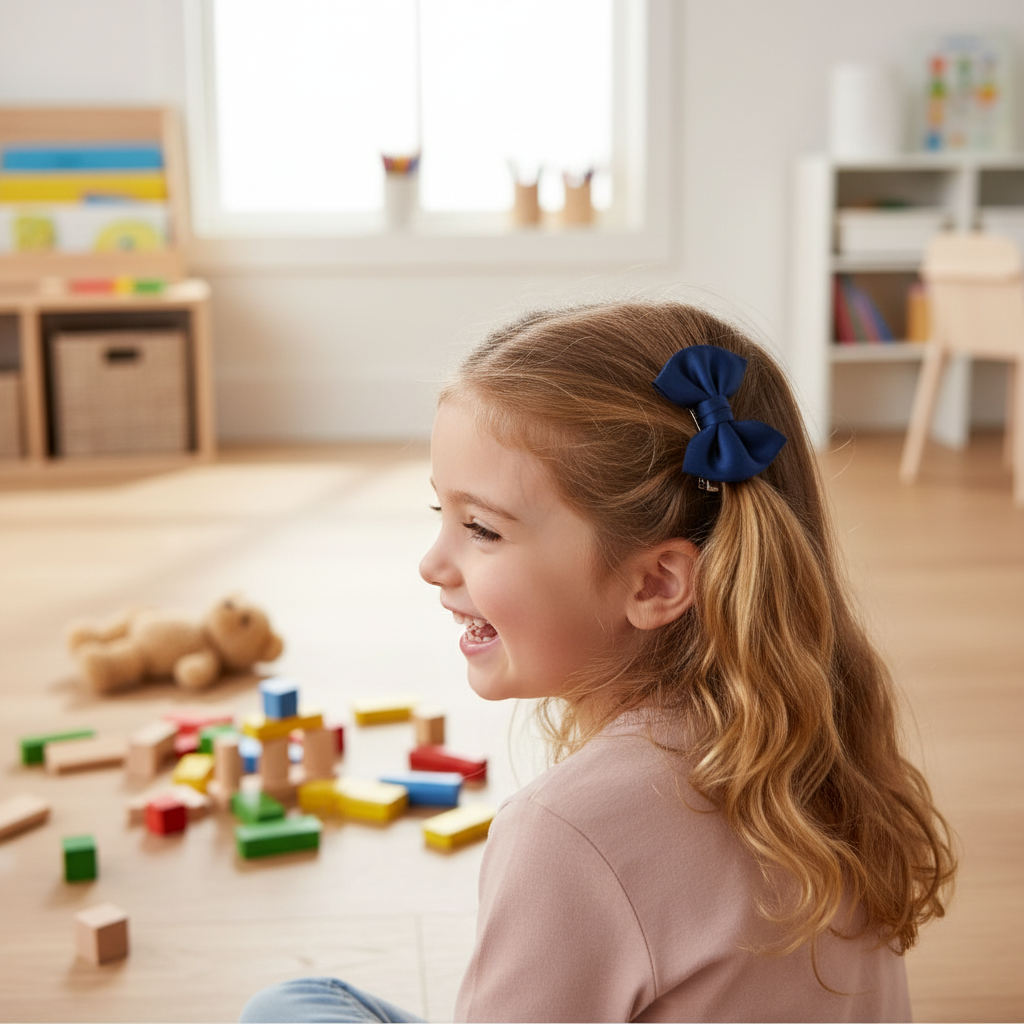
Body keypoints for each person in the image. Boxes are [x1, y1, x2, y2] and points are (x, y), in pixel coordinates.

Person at [241, 301, 956, 1023]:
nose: (432, 564)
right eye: (442, 515)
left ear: (655, 584)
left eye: (481, 529)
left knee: (287, 1008)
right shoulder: (815, 731)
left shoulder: (564, 832)